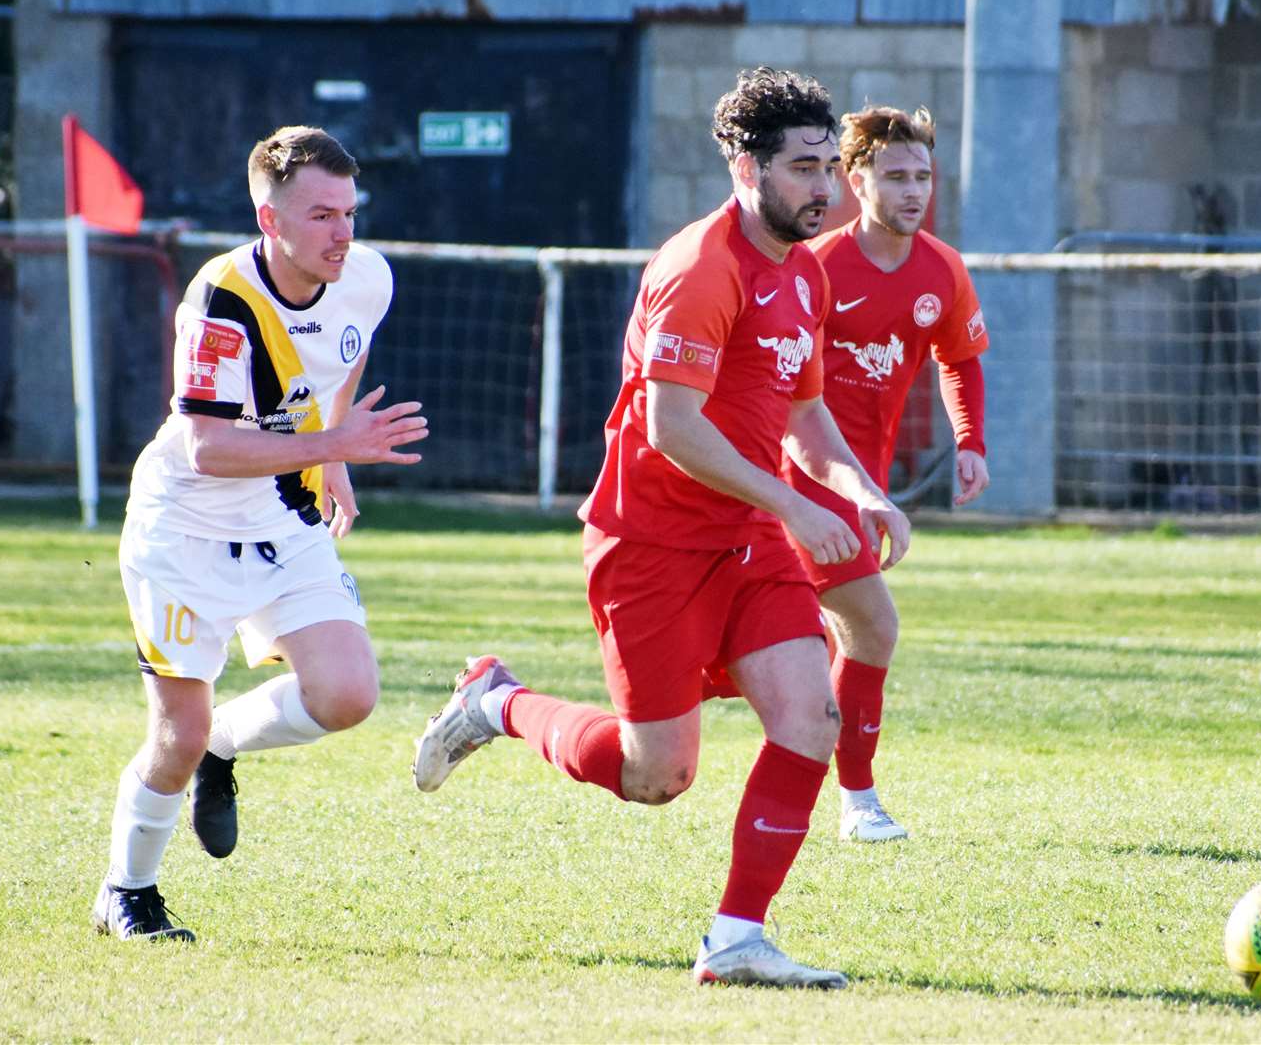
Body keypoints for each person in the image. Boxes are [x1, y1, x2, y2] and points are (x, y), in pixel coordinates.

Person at [413, 68, 910, 989]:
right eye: (803, 169)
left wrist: (856, 490)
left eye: (828, 169)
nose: (825, 190)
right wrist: (796, 504)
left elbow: (805, 412)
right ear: (742, 163)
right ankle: (496, 701)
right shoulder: (699, 266)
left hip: (752, 536)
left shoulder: (804, 272)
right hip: (651, 544)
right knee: (655, 776)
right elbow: (670, 428)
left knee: (811, 716)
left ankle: (735, 941)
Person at [94, 125, 428, 941]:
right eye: (320, 215)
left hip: (282, 511)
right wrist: (334, 446)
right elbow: (208, 448)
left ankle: (224, 751)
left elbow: (339, 364)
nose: (341, 233)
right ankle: (125, 893)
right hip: (184, 529)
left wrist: (333, 459)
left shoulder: (366, 278)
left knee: (347, 694)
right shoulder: (219, 303)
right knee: (176, 735)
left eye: (349, 212)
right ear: (268, 219)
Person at [784, 105, 990, 843]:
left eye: (923, 177)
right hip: (799, 483)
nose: (913, 190)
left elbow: (959, 356)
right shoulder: (817, 268)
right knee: (872, 629)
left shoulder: (941, 269)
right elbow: (779, 386)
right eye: (896, 176)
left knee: (815, 648)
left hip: (862, 487)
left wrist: (969, 440)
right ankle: (857, 801)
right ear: (855, 181)